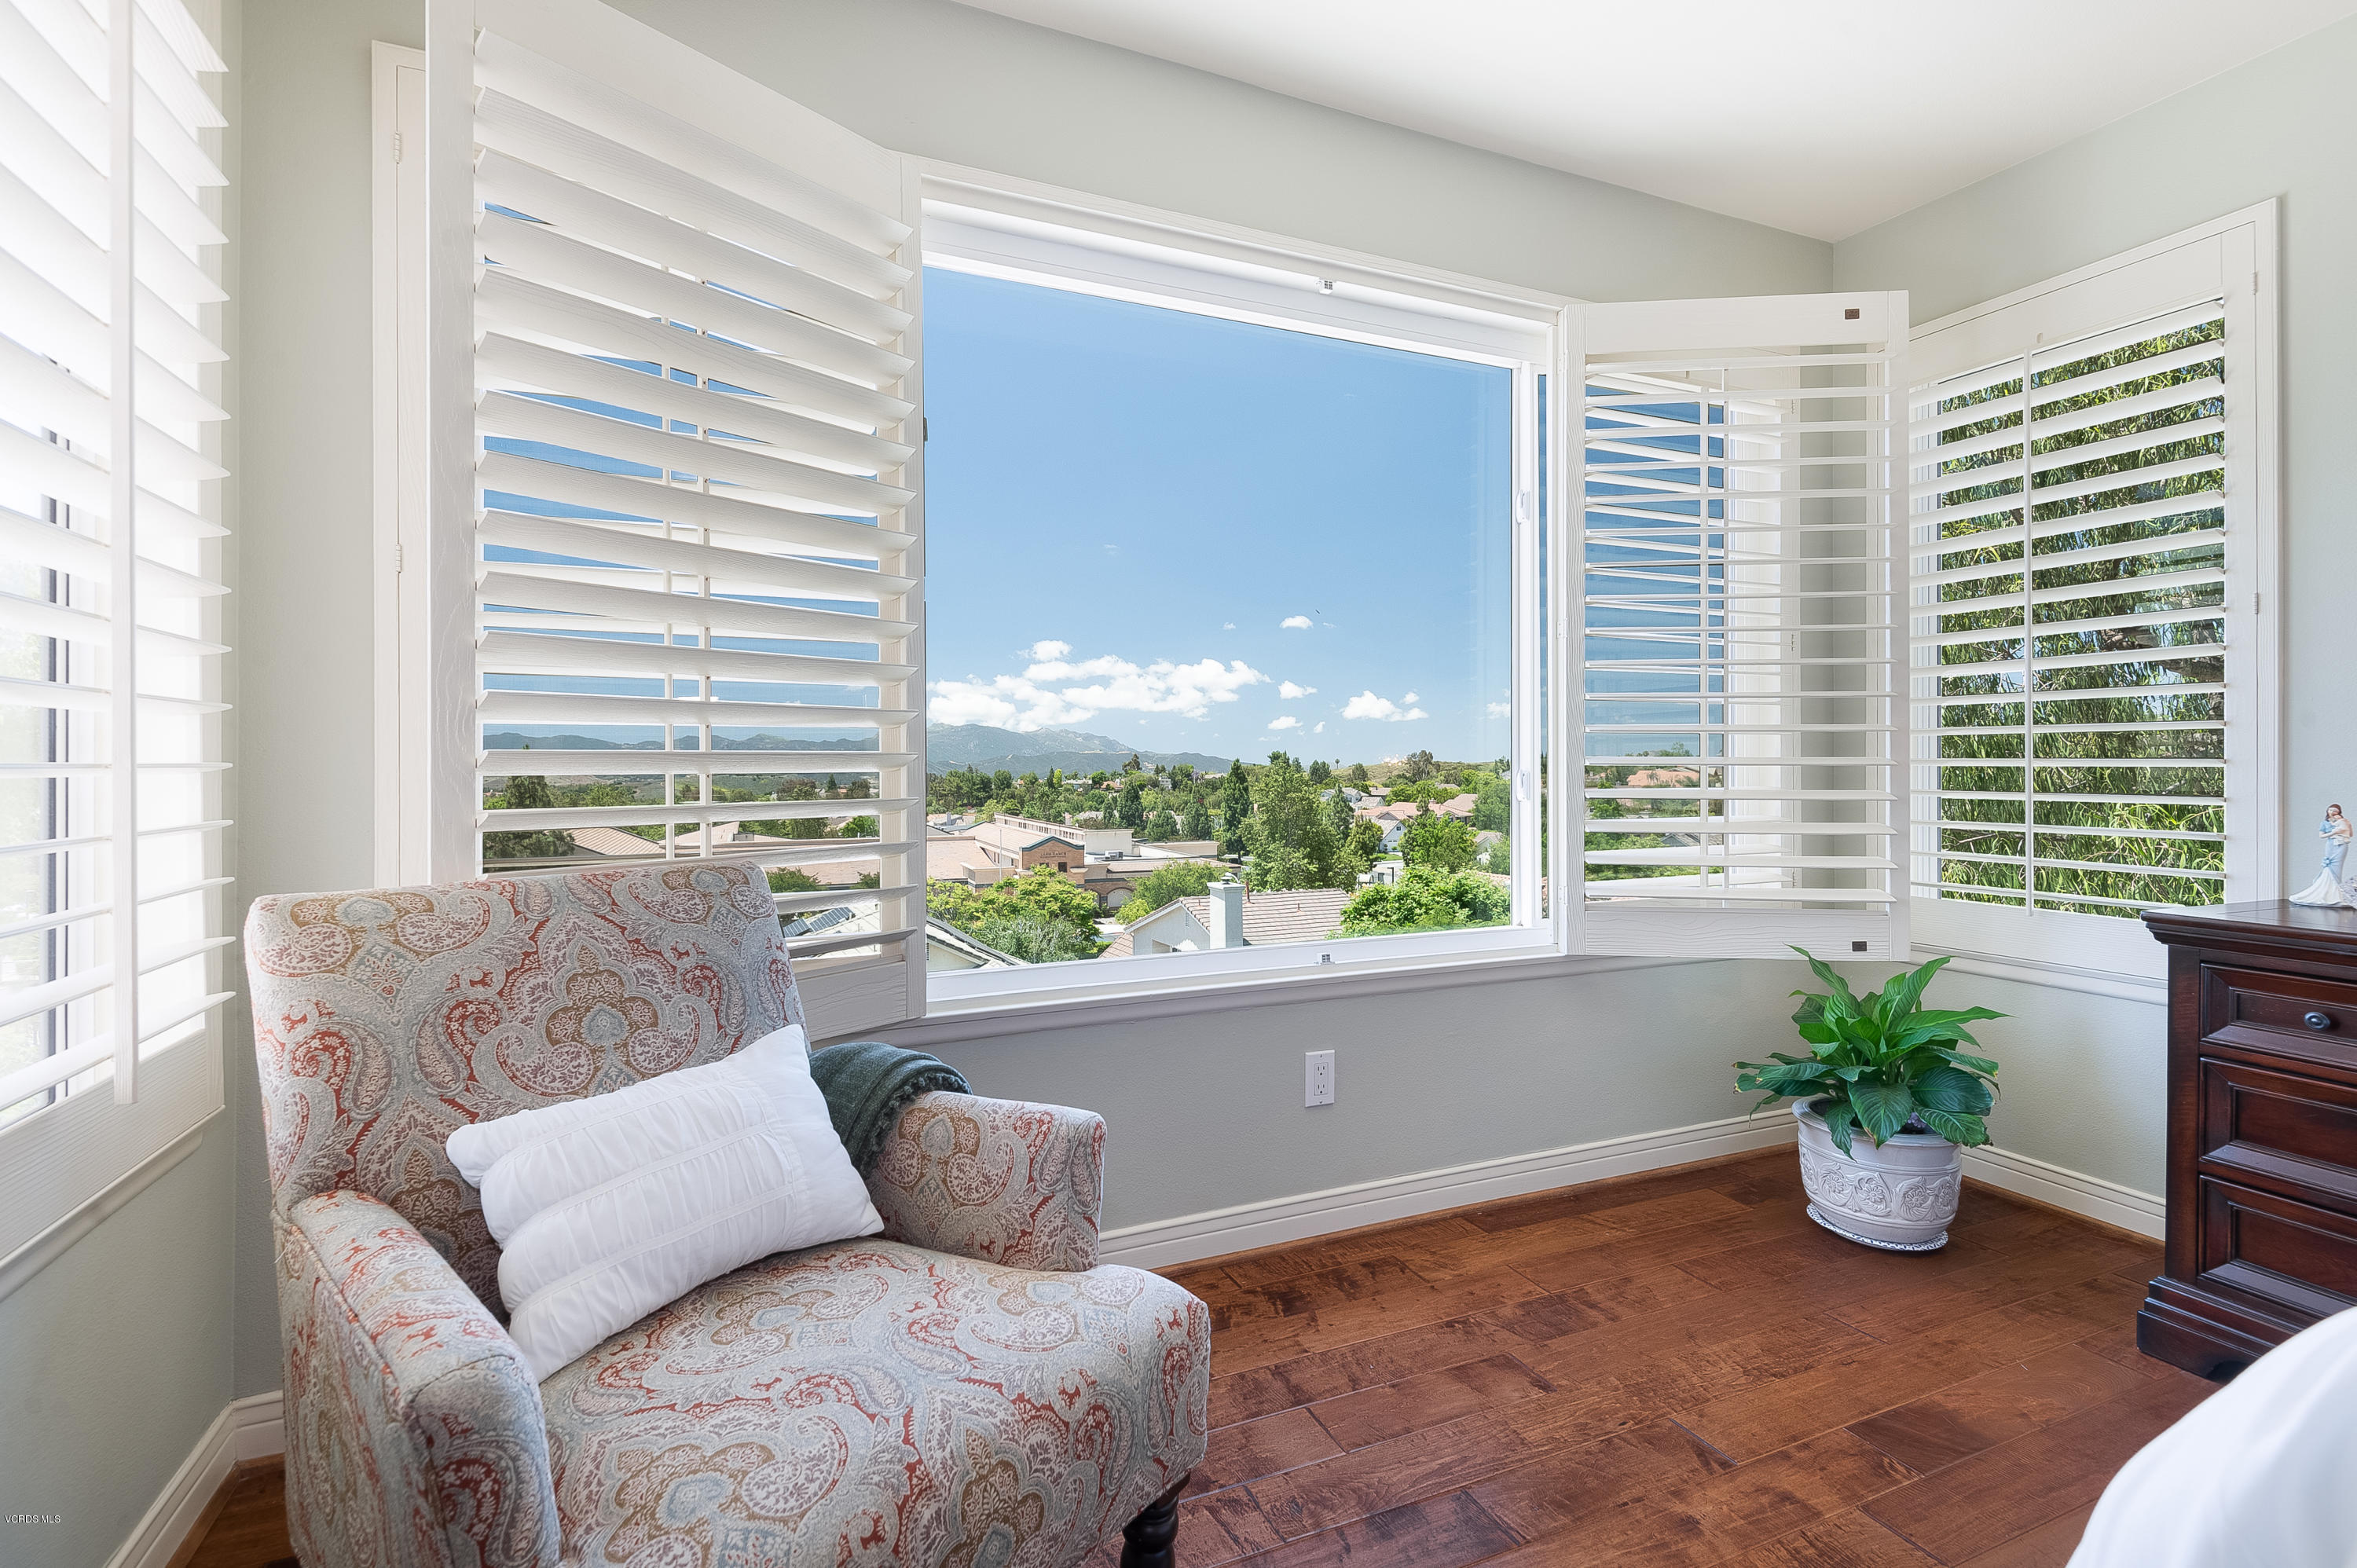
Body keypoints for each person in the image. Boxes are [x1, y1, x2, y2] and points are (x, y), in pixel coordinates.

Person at [2288, 804, 2355, 907]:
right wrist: (2333, 832)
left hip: (2342, 845)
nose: (2332, 812)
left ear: (2339, 813)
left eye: (2335, 811)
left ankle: (2337, 892)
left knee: (2338, 868)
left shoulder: (2342, 822)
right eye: (2330, 810)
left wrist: (2348, 826)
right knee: (2330, 866)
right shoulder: (2325, 823)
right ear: (2327, 811)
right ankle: (2328, 892)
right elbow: (2322, 836)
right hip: (2331, 845)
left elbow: (2350, 835)